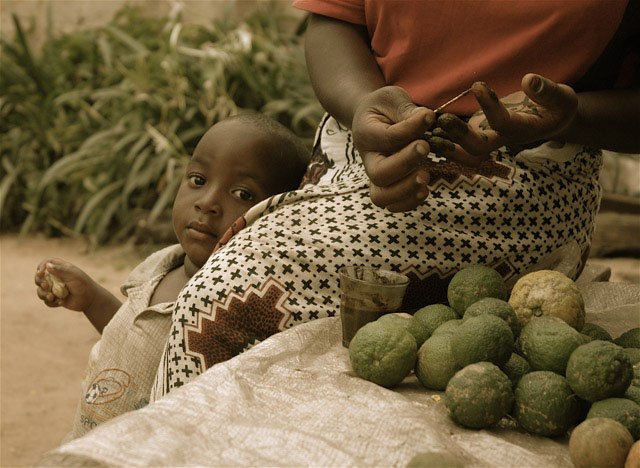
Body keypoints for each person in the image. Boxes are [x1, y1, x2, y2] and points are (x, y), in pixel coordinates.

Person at [150, 0, 639, 399]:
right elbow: (333, 19)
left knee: (221, 300)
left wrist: (571, 118)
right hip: (356, 140)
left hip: (524, 185)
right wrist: (363, 104)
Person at [34, 113, 311, 440]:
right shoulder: (157, 266)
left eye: (242, 194)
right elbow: (134, 339)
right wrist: (92, 299)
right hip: (89, 444)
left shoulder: (232, 303)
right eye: (198, 180)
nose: (207, 203)